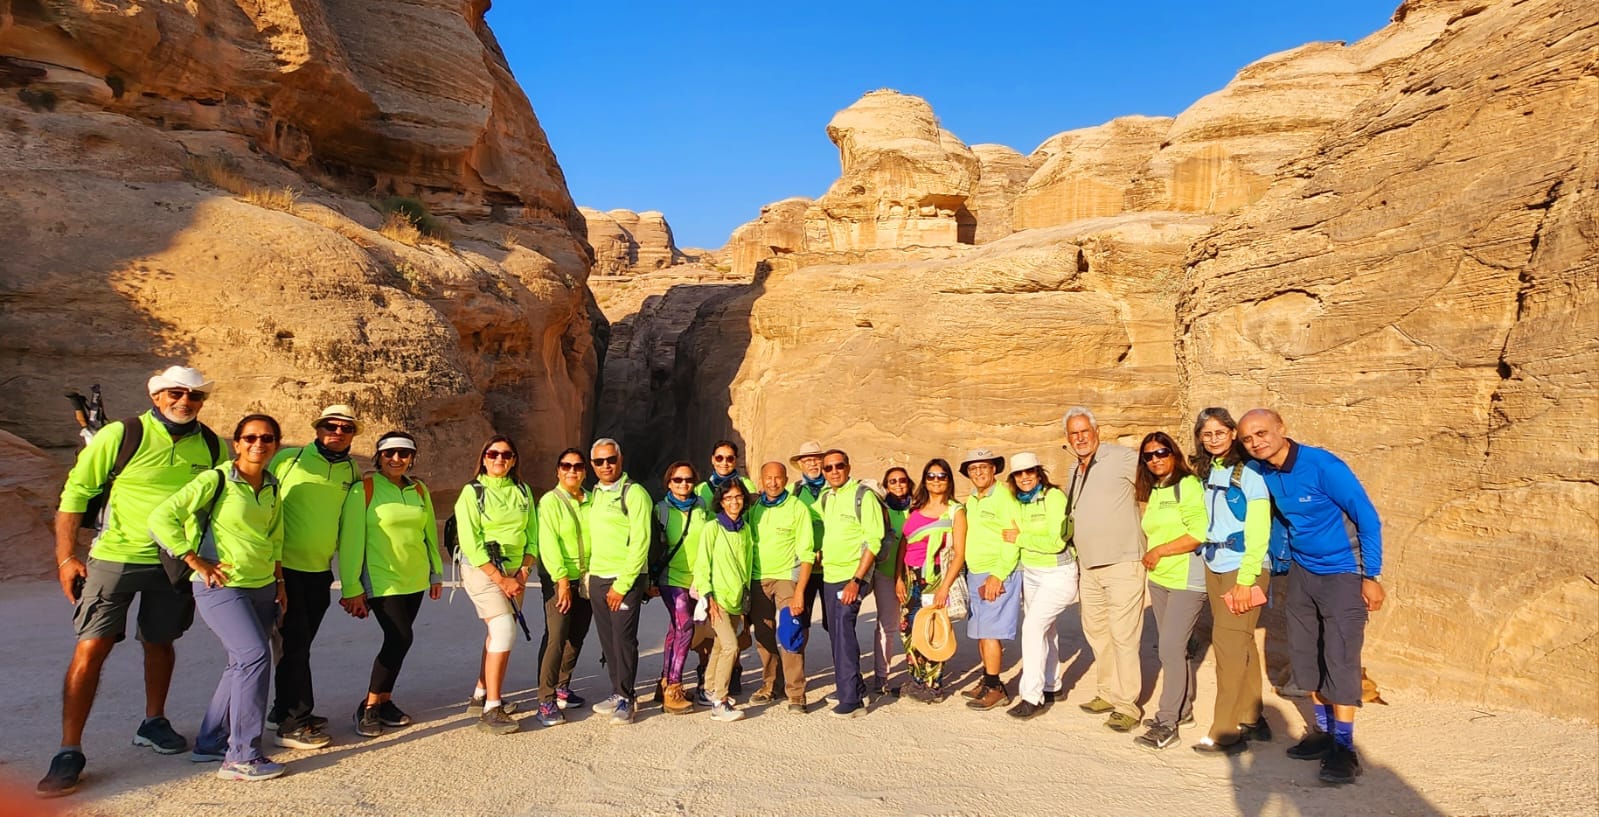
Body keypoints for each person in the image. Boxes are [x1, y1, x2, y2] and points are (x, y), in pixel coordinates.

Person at [40, 365, 228, 798]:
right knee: (92, 646)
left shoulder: (212, 445)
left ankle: (153, 721)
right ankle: (69, 749)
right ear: (157, 396)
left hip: (175, 560)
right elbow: (76, 493)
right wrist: (65, 558)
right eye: (175, 393)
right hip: (116, 556)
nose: (185, 401)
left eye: (195, 395)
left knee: (160, 641)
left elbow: (221, 501)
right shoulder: (122, 435)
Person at [1237, 409, 1384, 785]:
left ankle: (1344, 748)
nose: (1255, 442)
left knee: (1341, 656)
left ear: (1281, 429)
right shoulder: (1263, 470)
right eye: (1247, 438)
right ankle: (1322, 732)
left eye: (1261, 433)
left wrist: (1371, 575)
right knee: (1307, 655)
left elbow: (1367, 516)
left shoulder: (1323, 466)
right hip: (1303, 572)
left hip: (1343, 572)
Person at [149, 414, 289, 781]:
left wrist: (279, 581)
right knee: (254, 657)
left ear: (276, 444)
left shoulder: (272, 485)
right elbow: (162, 517)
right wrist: (192, 558)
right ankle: (242, 756)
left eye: (267, 438)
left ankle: (211, 740)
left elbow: (275, 537)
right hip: (221, 586)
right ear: (236, 443)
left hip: (262, 585)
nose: (258, 444)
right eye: (250, 437)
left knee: (240, 662)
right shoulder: (216, 479)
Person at [266, 404, 361, 749]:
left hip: (320, 572)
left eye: (346, 428)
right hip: (283, 570)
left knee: (297, 644)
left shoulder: (351, 470)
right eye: (330, 426)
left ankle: (282, 709)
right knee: (294, 645)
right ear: (317, 428)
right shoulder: (288, 460)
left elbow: (349, 527)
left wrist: (351, 582)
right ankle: (294, 723)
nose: (337, 433)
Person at [337, 431, 442, 738]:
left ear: (412, 458)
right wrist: (351, 587)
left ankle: (385, 701)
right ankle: (369, 706)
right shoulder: (364, 489)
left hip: (415, 577)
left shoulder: (419, 489)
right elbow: (351, 541)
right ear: (379, 456)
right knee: (400, 637)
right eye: (389, 453)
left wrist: (436, 573)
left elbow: (429, 535)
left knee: (400, 641)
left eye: (404, 454)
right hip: (382, 577)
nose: (396, 459)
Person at [1190, 407, 1273, 754]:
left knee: (1228, 647)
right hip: (1215, 565)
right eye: (1207, 434)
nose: (1214, 440)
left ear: (1233, 433)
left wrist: (1246, 579)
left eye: (1220, 433)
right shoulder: (1209, 469)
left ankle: (1225, 732)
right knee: (1242, 643)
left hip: (1243, 568)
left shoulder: (1250, 473)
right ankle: (1252, 718)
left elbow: (1259, 530)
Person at [1062, 406, 1146, 733]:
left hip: (1123, 562)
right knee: (1097, 633)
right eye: (1074, 433)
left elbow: (1154, 482)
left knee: (1123, 635)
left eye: (1085, 431)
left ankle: (1127, 705)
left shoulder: (1122, 457)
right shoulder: (1075, 467)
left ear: (1097, 431)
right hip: (1090, 566)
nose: (1080, 438)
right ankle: (1107, 692)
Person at [454, 435, 536, 735]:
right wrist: (501, 578)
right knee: (504, 630)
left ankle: (481, 694)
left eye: (506, 455)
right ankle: (492, 708)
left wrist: (524, 571)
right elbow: (471, 542)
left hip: (516, 572)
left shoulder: (522, 490)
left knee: (498, 631)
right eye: (493, 454)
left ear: (514, 460)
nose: (499, 459)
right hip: (484, 570)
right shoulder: (472, 492)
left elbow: (533, 533)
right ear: (484, 458)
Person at [1132, 432, 1208, 750]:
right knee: (1176, 648)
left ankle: (1167, 723)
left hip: (1186, 580)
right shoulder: (1158, 488)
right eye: (1149, 455)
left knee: (1169, 649)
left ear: (1173, 454)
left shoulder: (1187, 485)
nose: (1156, 459)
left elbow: (1199, 533)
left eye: (1162, 452)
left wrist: (1160, 550)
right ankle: (1183, 709)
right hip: (1161, 579)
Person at [1004, 452, 1079, 719]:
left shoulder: (1053, 497)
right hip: (1032, 573)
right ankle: (1052, 685)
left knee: (1032, 628)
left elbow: (1056, 542)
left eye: (1030, 472)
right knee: (1047, 630)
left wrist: (1020, 538)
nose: (1025, 477)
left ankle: (1031, 696)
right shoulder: (1019, 501)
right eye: (1019, 473)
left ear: (1038, 472)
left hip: (1058, 573)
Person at [584, 438, 653, 725]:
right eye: (599, 461)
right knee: (608, 639)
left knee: (624, 639)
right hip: (598, 576)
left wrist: (622, 584)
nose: (606, 465)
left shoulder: (634, 493)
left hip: (623, 578)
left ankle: (627, 697)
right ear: (592, 465)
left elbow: (641, 541)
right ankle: (617, 690)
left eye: (610, 459)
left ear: (620, 460)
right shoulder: (595, 494)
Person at [817, 449, 885, 718]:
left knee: (844, 628)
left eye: (839, 466)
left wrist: (857, 580)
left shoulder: (863, 496)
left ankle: (852, 701)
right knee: (836, 632)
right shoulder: (826, 497)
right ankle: (853, 686)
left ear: (848, 466)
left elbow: (874, 541)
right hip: (830, 575)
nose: (834, 471)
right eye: (828, 468)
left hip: (852, 576)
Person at [746, 460, 816, 712]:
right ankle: (770, 685)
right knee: (763, 635)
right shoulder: (754, 508)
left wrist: (800, 592)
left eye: (778, 478)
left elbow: (807, 553)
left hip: (786, 578)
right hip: (758, 578)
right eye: (768, 478)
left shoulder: (797, 508)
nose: (773, 482)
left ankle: (796, 693)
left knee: (790, 632)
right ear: (761, 480)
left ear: (786, 480)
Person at [896, 458, 966, 703]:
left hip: (934, 576)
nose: (936, 481)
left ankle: (933, 686)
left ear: (949, 480)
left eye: (941, 476)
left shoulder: (956, 511)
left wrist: (944, 587)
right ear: (925, 480)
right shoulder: (914, 508)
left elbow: (959, 553)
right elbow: (904, 544)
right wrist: (898, 578)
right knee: (907, 629)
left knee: (932, 629)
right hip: (910, 576)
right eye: (931, 476)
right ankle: (917, 679)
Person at [532, 448, 594, 727]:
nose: (572, 471)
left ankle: (562, 687)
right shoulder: (550, 501)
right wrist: (561, 581)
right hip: (560, 578)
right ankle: (545, 700)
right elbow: (548, 543)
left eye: (577, 466)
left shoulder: (592, 500)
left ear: (584, 471)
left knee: (577, 634)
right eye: (566, 466)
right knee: (556, 635)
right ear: (558, 470)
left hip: (587, 577)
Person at [958, 448, 1021, 710]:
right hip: (976, 573)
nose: (979, 472)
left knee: (992, 632)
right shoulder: (973, 499)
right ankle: (988, 680)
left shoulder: (1004, 497)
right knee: (982, 632)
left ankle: (996, 689)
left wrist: (998, 574)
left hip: (996, 572)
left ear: (994, 469)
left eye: (983, 467)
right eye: (973, 468)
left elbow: (1013, 536)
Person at [694, 479, 757, 722]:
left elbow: (746, 565)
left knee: (721, 646)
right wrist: (708, 596)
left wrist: (745, 598)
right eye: (728, 498)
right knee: (731, 646)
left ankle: (709, 689)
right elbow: (702, 565)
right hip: (718, 599)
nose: (734, 502)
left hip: (736, 599)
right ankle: (719, 702)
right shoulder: (712, 528)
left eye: (738, 497)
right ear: (721, 502)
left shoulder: (745, 529)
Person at [654, 460, 709, 715]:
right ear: (669, 482)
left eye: (688, 479)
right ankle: (674, 688)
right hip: (671, 577)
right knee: (685, 626)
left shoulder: (701, 507)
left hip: (696, 579)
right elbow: (652, 546)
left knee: (676, 628)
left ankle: (665, 681)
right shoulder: (661, 510)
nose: (683, 484)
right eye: (677, 479)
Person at [870, 467, 911, 696]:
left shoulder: (916, 509)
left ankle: (918, 673)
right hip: (883, 573)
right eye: (892, 481)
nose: (898, 485)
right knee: (887, 624)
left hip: (910, 575)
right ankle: (881, 675)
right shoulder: (879, 508)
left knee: (912, 625)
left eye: (902, 480)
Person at [788, 440, 830, 634]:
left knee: (835, 622)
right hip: (803, 566)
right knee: (800, 619)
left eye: (816, 459)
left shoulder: (835, 487)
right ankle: (799, 655)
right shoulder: (792, 491)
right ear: (801, 464)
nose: (812, 464)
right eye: (807, 460)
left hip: (831, 566)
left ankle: (839, 655)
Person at [694, 440, 757, 507]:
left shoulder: (746, 484)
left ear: (735, 460)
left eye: (730, 459)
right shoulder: (700, 488)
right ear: (712, 459)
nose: (724, 463)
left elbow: (753, 510)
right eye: (719, 458)